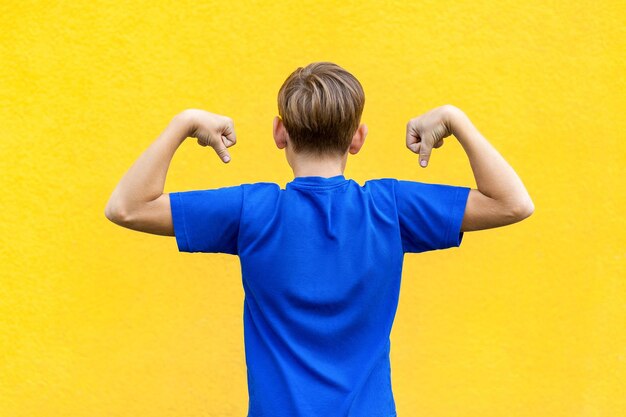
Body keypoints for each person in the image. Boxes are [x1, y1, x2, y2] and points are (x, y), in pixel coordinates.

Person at [105, 61, 534, 417]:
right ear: (357, 138)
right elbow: (512, 203)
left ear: (279, 133)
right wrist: (456, 120)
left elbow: (127, 207)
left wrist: (183, 124)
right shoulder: (390, 208)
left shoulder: (251, 211)